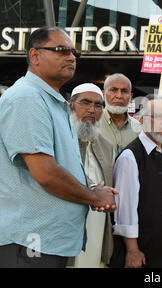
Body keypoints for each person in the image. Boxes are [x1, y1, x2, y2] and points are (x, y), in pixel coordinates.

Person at [0, 27, 117, 268]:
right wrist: (93, 196)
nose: (71, 57)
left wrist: (89, 187)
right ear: (35, 55)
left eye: (74, 52)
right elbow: (45, 172)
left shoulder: (50, 101)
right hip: (24, 241)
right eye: (61, 50)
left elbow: (57, 166)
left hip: (41, 241)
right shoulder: (27, 98)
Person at [111, 95, 162, 268]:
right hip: (142, 253)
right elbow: (125, 208)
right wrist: (132, 250)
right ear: (143, 121)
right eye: (160, 116)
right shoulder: (131, 157)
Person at [69, 83, 117, 267]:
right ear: (71, 105)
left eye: (98, 105)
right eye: (85, 103)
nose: (92, 110)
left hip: (97, 226)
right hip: (66, 228)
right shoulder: (60, 139)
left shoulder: (107, 145)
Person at [100, 73, 142, 160]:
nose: (119, 96)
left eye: (124, 91)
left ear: (131, 97)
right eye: (113, 90)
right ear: (103, 95)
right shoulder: (93, 124)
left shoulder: (139, 128)